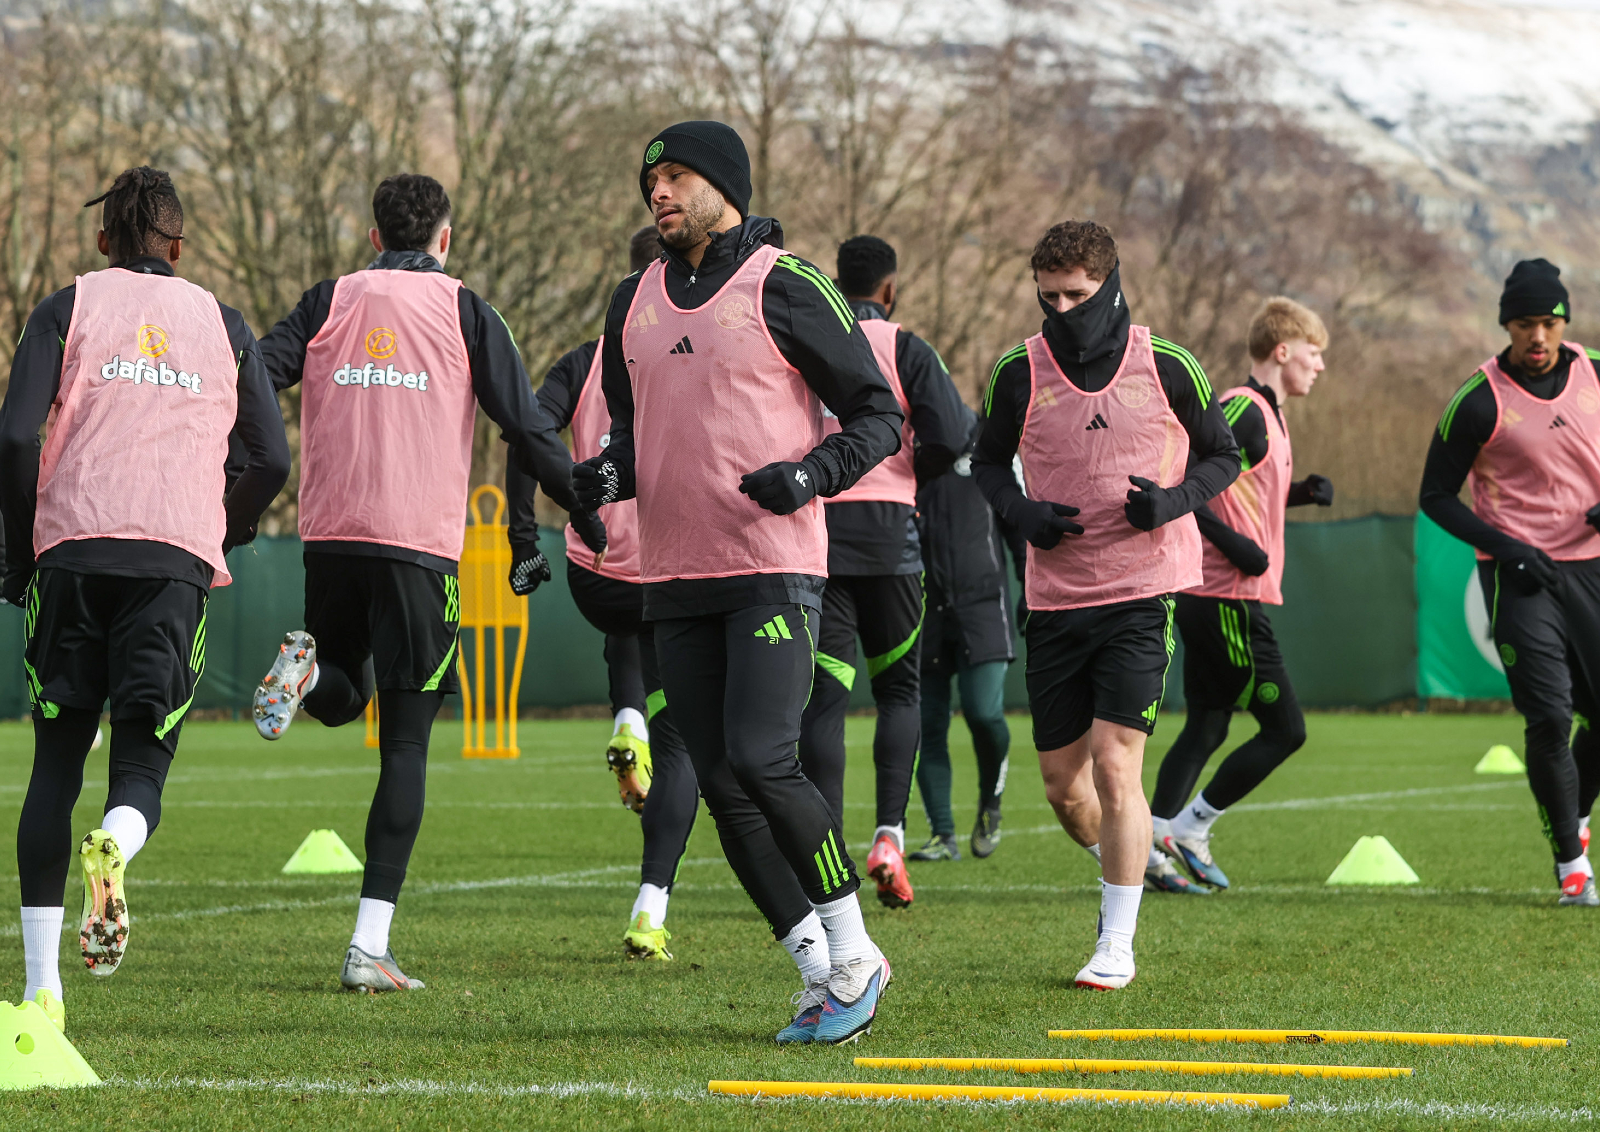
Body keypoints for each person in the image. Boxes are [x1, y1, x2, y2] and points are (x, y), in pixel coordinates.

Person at [573, 121, 903, 1044]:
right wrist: (600, 479)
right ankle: (817, 971)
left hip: (774, 568)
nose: (660, 193)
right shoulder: (629, 300)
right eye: (652, 181)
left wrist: (807, 476)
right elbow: (635, 442)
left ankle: (857, 950)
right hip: (674, 572)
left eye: (677, 176)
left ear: (725, 185)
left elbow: (879, 417)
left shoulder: (788, 285)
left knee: (763, 757)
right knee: (718, 778)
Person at [252, 173, 600, 991]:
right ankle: (369, 947)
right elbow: (527, 426)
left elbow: (257, 374)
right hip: (418, 547)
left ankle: (299, 675)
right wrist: (586, 509)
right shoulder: (466, 309)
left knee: (342, 696)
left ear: (375, 238)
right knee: (404, 743)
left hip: (331, 536)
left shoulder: (328, 299)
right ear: (444, 238)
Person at [0, 168, 289, 1029]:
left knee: (55, 764)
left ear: (102, 243)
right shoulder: (224, 323)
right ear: (178, 244)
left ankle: (40, 994)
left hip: (74, 555)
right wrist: (214, 531)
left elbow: (16, 434)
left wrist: (20, 556)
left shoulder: (67, 306)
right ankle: (116, 844)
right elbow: (269, 458)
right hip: (171, 565)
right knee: (140, 769)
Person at [972, 220, 1239, 989]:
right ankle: (1132, 862)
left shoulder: (1168, 362)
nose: (1063, 310)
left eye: (1078, 295)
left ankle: (1115, 942)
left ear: (1111, 284)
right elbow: (985, 466)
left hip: (1142, 591)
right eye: (1049, 297)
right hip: (1055, 600)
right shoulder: (1016, 372)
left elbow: (1222, 453)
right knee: (1064, 788)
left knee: (1118, 767)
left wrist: (1175, 501)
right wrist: (1020, 516)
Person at [506, 224, 698, 961]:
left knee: (628, 629)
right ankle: (650, 909)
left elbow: (529, 434)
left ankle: (626, 722)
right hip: (678, 569)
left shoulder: (585, 360)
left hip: (598, 571)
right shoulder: (693, 352)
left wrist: (525, 537)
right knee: (688, 744)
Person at [1419, 258, 1600, 907]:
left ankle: (1571, 813)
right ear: (1507, 325)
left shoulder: (1595, 372)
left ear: (1564, 322)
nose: (1538, 337)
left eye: (1549, 322)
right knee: (1550, 716)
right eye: (1525, 324)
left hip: (1594, 566)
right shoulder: (1478, 399)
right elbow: (1435, 496)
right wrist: (1505, 547)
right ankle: (1571, 864)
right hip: (1520, 575)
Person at [795, 235, 969, 908]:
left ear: (838, 287)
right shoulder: (908, 347)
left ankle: (825, 858)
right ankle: (890, 837)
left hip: (823, 535)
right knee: (899, 691)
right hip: (892, 538)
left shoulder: (810, 336)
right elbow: (952, 438)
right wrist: (907, 479)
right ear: (890, 290)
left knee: (826, 698)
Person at [1149, 298, 1332, 888]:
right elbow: (1183, 483)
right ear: (1283, 351)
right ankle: (1191, 827)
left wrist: (1300, 492)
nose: (1319, 366)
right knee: (1286, 730)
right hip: (1225, 593)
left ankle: (1151, 846)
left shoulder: (1271, 418)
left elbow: (1238, 490)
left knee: (1207, 724)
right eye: (1313, 353)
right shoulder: (1244, 410)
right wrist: (1234, 547)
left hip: (1221, 592)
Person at [907, 409, 1017, 862]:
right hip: (923, 608)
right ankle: (942, 835)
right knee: (927, 726)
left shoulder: (987, 442)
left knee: (983, 712)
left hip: (983, 605)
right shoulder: (899, 447)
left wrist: (1033, 589)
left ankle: (991, 798)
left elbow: (1017, 527)